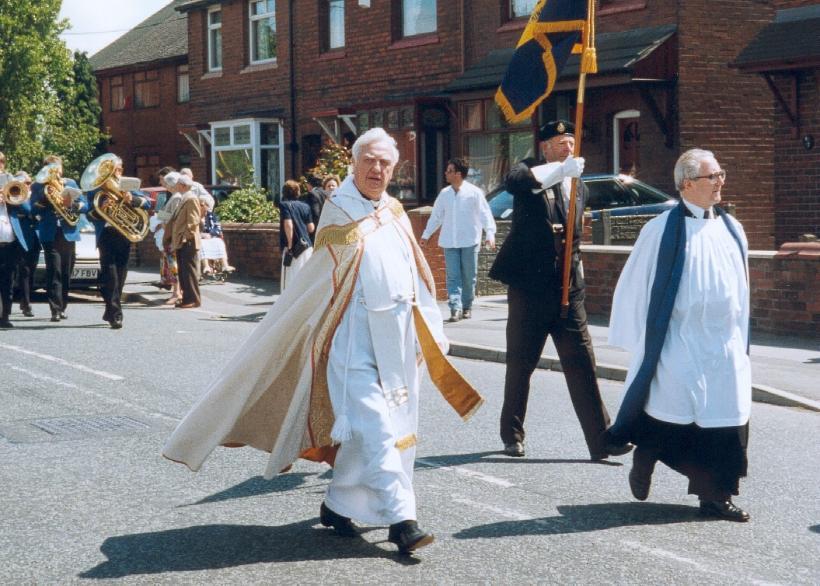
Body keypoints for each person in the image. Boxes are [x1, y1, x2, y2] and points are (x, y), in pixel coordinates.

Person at [162, 128, 483, 555]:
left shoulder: (395, 212)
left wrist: (434, 332)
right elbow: (325, 279)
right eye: (369, 159)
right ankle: (403, 520)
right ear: (354, 163)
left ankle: (336, 505)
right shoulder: (340, 210)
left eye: (385, 162)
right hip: (351, 343)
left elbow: (418, 277)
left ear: (394, 168)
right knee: (377, 428)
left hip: (399, 342)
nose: (377, 169)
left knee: (388, 433)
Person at [604, 149, 752, 522]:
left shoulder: (732, 227)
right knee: (671, 411)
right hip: (680, 340)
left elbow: (742, 285)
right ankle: (646, 453)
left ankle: (715, 496)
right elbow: (637, 284)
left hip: (723, 345)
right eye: (711, 176)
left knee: (727, 419)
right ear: (687, 184)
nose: (720, 182)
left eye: (721, 173)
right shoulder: (660, 230)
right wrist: (641, 341)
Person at [489, 120, 632, 460]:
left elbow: (575, 238)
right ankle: (512, 433)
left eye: (571, 141)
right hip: (530, 289)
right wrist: (557, 171)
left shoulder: (577, 184)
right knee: (521, 363)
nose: (568, 148)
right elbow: (517, 183)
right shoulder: (531, 172)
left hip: (568, 290)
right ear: (545, 147)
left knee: (582, 361)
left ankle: (602, 440)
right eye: (560, 142)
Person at [420, 158, 496, 322]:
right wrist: (426, 235)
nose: (446, 173)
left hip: (470, 240)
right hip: (449, 241)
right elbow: (436, 216)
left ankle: (467, 306)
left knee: (469, 276)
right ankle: (455, 308)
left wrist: (490, 233)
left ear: (458, 174)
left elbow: (485, 214)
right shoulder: (444, 194)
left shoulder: (474, 193)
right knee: (453, 276)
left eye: (449, 171)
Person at [82, 154, 151, 329]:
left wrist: (132, 199)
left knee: (121, 274)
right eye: (115, 169)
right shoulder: (95, 189)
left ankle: (110, 308)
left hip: (125, 233)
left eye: (120, 169)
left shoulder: (127, 185)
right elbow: (89, 213)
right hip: (106, 234)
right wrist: (100, 210)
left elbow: (147, 203)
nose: (118, 172)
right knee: (110, 274)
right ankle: (116, 315)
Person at [30, 155, 89, 322]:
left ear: (61, 169)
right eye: (51, 169)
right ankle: (55, 309)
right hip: (50, 232)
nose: (55, 172)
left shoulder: (70, 184)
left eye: (57, 168)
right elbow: (32, 210)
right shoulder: (38, 186)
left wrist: (73, 204)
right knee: (54, 271)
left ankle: (62, 306)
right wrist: (44, 200)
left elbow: (85, 206)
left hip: (69, 232)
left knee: (66, 272)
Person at [0, 162, 34, 329]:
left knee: (8, 282)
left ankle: (5, 316)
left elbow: (28, 209)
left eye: (1, 164)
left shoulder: (11, 183)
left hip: (10, 244)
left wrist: (10, 198)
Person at [165, 174, 201, 309]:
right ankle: (187, 299)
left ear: (184, 185)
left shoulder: (191, 199)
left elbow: (193, 221)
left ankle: (193, 299)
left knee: (189, 272)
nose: (176, 186)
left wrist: (186, 236)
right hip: (181, 240)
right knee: (183, 272)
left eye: (178, 184)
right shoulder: (184, 198)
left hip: (187, 241)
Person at [10, 171, 39, 318]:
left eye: (29, 183)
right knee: (25, 271)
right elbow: (29, 210)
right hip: (22, 238)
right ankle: (27, 304)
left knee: (31, 271)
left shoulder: (32, 196)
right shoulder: (18, 196)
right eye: (26, 183)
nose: (29, 186)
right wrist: (28, 197)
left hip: (35, 238)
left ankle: (24, 300)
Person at [278, 179, 314, 291]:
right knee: (306, 278)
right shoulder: (305, 206)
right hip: (307, 247)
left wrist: (289, 245)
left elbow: (288, 224)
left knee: (290, 280)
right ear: (297, 192)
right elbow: (311, 228)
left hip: (293, 249)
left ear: (284, 192)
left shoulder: (284, 205)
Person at [303, 173, 327, 241]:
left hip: (317, 233)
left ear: (309, 184)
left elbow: (315, 213)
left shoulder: (312, 194)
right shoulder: (326, 193)